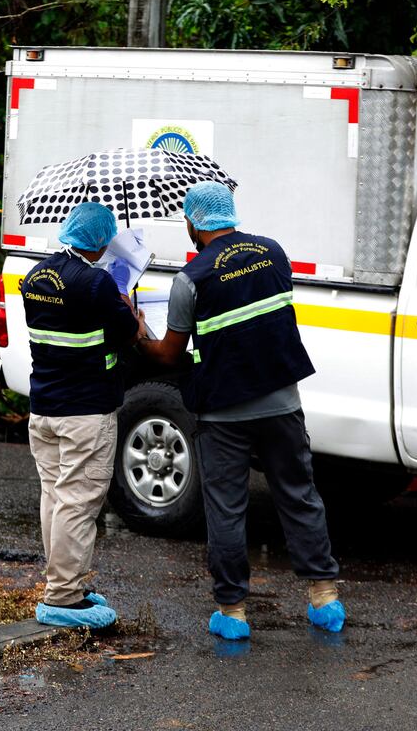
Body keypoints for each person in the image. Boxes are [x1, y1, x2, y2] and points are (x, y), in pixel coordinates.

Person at [138, 180, 345, 640]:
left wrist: (139, 334)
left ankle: (232, 614)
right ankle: (325, 599)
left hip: (224, 416)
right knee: (299, 495)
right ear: (230, 213)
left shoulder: (190, 280)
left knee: (227, 509)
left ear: (194, 222)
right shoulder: (274, 253)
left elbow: (171, 356)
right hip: (282, 404)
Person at [23, 202, 146, 629]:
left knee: (55, 495)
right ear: (99, 240)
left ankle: (64, 584)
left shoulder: (35, 277)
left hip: (45, 409)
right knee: (79, 498)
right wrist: (131, 311)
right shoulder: (96, 284)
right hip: (86, 411)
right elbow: (131, 334)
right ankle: (62, 596)